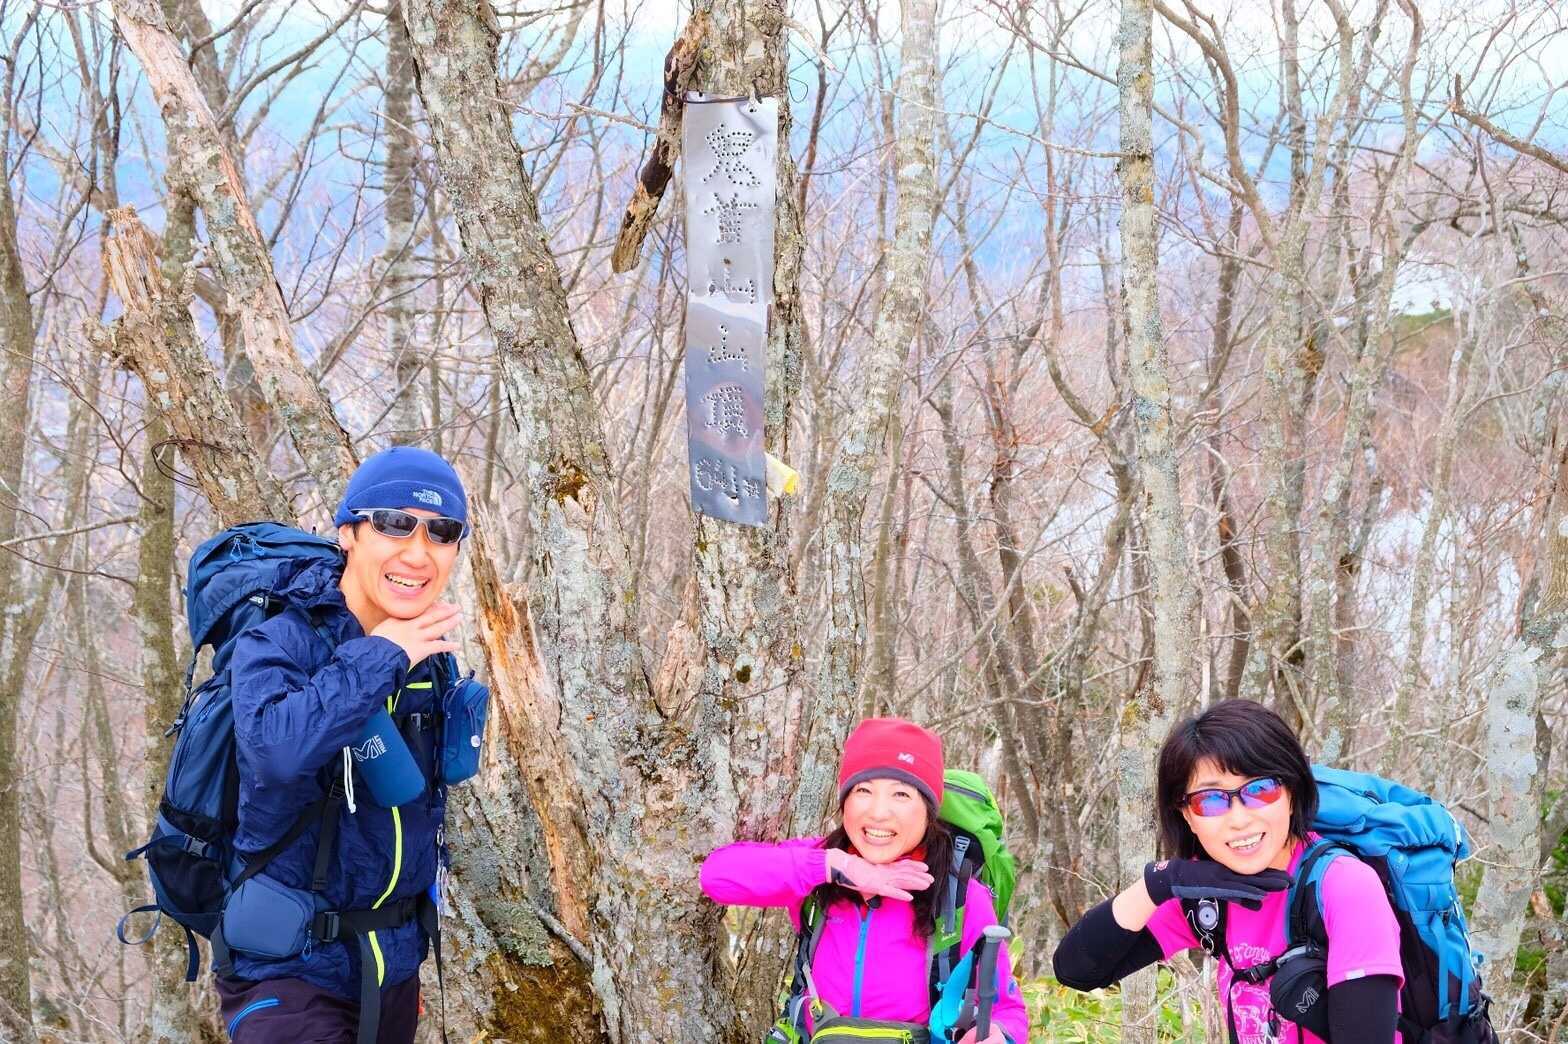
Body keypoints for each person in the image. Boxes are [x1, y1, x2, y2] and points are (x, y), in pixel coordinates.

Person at [216, 447, 471, 1042]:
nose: (418, 552)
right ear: (348, 533)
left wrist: (404, 955)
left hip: (390, 974)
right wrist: (384, 655)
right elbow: (276, 753)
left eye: (441, 532)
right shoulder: (279, 640)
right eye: (393, 524)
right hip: (290, 976)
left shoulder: (431, 659)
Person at [1052, 699, 1404, 1044]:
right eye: (1210, 800)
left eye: (1261, 790)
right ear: (1187, 816)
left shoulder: (1344, 887)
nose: (1238, 819)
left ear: (1292, 793)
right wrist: (1159, 882)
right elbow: (1077, 970)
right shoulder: (1206, 893)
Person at [701, 718, 1029, 1043]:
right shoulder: (821, 865)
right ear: (844, 802)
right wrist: (837, 867)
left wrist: (1000, 1036)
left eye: (901, 794)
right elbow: (716, 875)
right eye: (863, 790)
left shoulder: (959, 894)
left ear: (928, 812)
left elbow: (1007, 1011)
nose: (878, 812)